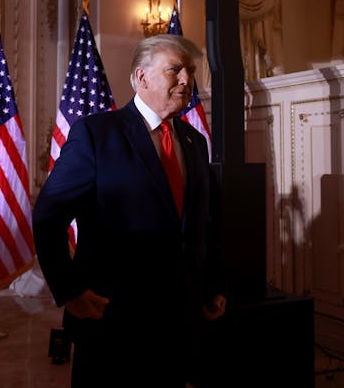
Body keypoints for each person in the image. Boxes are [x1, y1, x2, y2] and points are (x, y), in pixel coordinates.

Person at [33, 34, 227, 387]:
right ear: (142, 78)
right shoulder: (96, 134)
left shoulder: (194, 141)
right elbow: (49, 217)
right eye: (175, 70)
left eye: (190, 71)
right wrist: (70, 290)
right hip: (112, 317)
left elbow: (204, 223)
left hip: (180, 318)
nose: (186, 80)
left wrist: (212, 285)